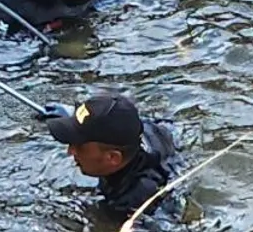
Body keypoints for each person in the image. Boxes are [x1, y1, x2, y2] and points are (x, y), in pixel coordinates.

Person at [39, 94, 183, 220]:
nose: (70, 151)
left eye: (80, 145)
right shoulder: (140, 130)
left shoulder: (131, 203)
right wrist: (74, 118)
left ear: (112, 158)